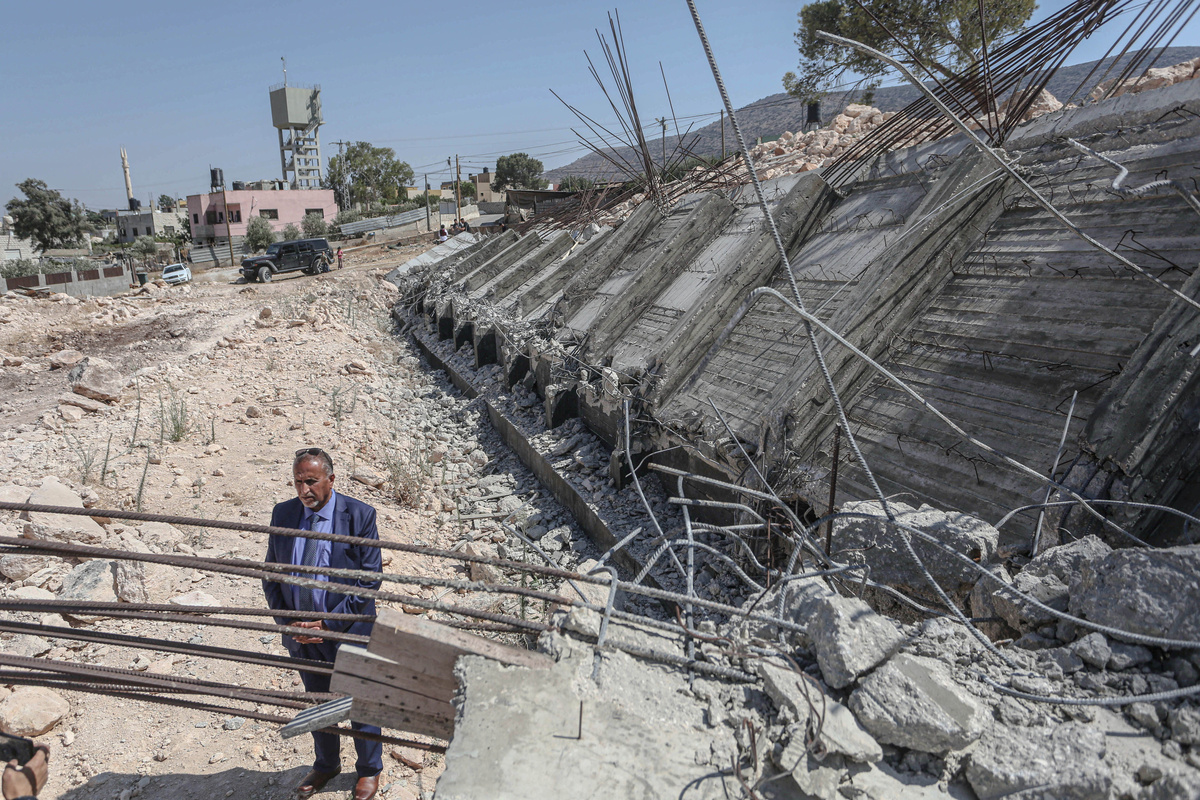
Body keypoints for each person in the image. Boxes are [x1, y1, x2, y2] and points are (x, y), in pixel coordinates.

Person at [263, 448, 383, 800]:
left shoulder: (359, 515)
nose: (304, 490)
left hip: (348, 632)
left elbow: (369, 581)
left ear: (331, 479)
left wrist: (328, 623)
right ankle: (327, 765)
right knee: (319, 702)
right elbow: (271, 575)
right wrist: (290, 624)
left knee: (360, 701)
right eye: (299, 482)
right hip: (302, 635)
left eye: (312, 481)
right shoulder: (283, 513)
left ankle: (369, 771)